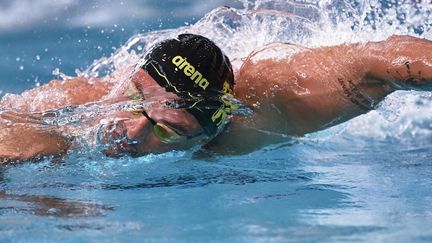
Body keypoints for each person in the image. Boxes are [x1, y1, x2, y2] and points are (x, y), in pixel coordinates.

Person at [0, 34, 431, 162]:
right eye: (134, 101)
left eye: (168, 131)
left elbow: (379, 63)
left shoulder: (271, 109)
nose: (129, 131)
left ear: (212, 129)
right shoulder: (66, 108)